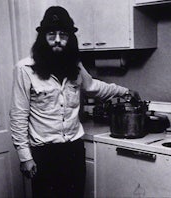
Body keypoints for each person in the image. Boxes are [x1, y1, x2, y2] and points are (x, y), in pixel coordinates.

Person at [10, 6, 140, 198]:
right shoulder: (25, 69)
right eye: (51, 34)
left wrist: (125, 91)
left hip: (73, 151)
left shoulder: (75, 67)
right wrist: (25, 157)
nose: (57, 40)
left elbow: (94, 87)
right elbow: (18, 115)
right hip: (44, 153)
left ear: (70, 38)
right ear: (42, 37)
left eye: (63, 35)